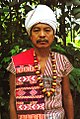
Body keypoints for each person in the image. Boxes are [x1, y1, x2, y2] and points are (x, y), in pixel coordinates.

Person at [7, 4, 74, 119]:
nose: (42, 35)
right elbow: (13, 101)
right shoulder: (16, 63)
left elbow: (67, 96)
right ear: (30, 35)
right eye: (36, 30)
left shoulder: (62, 61)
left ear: (53, 35)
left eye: (47, 30)